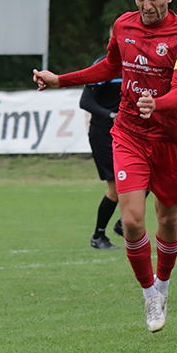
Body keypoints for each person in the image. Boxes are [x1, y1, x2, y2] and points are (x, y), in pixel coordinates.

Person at [33, 0, 177, 332]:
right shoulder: (123, 26)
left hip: (172, 140)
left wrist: (156, 103)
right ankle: (149, 296)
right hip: (129, 134)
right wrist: (60, 79)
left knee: (169, 218)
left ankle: (163, 283)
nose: (146, 5)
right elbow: (109, 66)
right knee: (130, 221)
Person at [79, 54, 122, 250]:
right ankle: (98, 236)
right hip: (104, 134)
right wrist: (111, 115)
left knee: (147, 179)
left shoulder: (140, 64)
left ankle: (123, 223)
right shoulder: (103, 66)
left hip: (126, 134)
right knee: (116, 188)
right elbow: (85, 101)